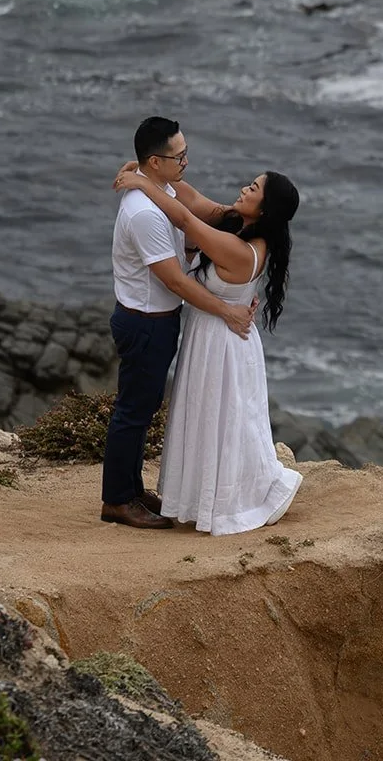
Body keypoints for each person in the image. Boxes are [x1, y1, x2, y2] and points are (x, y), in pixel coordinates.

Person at [111, 159, 303, 535]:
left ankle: (228, 501)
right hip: (214, 337)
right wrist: (152, 172)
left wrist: (140, 183)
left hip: (222, 343)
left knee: (221, 420)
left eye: (254, 188)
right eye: (250, 183)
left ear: (264, 210)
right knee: (211, 419)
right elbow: (191, 197)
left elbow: (184, 220)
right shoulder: (237, 223)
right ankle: (202, 497)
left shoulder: (239, 248)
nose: (245, 188)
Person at [100, 117, 258, 530]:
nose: (187, 160)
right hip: (144, 322)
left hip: (158, 320)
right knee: (133, 411)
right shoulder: (144, 215)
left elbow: (210, 213)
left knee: (144, 405)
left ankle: (131, 488)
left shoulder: (164, 190)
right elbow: (172, 279)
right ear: (155, 161)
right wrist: (226, 310)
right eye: (179, 155)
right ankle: (117, 500)